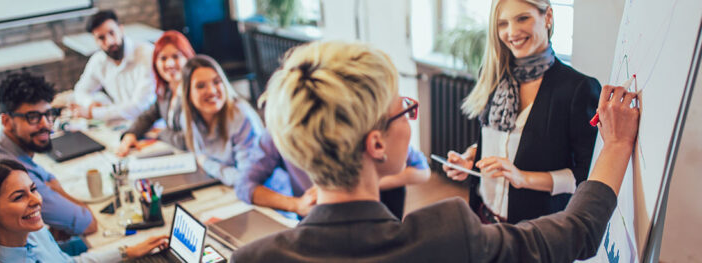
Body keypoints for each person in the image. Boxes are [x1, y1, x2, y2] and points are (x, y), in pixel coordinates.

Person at [230, 41, 640, 262]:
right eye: (403, 110)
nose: (410, 117)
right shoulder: (445, 237)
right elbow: (578, 234)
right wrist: (618, 144)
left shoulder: (252, 258)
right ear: (375, 144)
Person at [443, 0, 602, 223]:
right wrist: (471, 157)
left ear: (547, 16)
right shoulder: (494, 76)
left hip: (535, 231)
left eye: (522, 18)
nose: (511, 32)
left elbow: (586, 176)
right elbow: (503, 142)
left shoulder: (578, 89)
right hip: (482, 217)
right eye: (502, 24)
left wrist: (523, 178)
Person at [0, 73, 96, 242]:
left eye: (48, 114)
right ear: (6, 121)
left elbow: (48, 179)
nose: (46, 124)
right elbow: (87, 224)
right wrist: (60, 194)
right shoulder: (10, 175)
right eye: (33, 117)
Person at [0, 159, 169, 262]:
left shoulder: (34, 233)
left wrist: (126, 251)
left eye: (33, 190)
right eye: (19, 197)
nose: (36, 201)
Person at [236, 131, 430, 219]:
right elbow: (244, 185)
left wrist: (371, 183)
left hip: (374, 215)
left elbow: (421, 169)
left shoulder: (361, 126)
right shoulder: (278, 134)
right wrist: (295, 205)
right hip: (316, 218)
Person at [180, 55, 264, 186]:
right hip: (223, 186)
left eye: (216, 82)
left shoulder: (241, 117)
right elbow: (197, 154)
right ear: (187, 93)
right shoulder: (187, 118)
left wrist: (207, 164)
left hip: (264, 193)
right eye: (201, 86)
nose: (212, 91)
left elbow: (246, 179)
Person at [117, 30, 196, 156]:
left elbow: (187, 140)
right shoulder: (167, 91)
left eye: (176, 56)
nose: (169, 64)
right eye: (163, 58)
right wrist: (130, 134)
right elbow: (147, 116)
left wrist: (160, 134)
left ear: (188, 58)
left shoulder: (195, 93)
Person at [71, 10, 156, 121]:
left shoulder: (146, 53)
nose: (109, 42)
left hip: (151, 125)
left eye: (112, 33)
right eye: (101, 38)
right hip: (121, 123)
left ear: (121, 29)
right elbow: (80, 90)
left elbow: (139, 107)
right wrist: (90, 103)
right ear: (95, 40)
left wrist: (94, 113)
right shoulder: (98, 60)